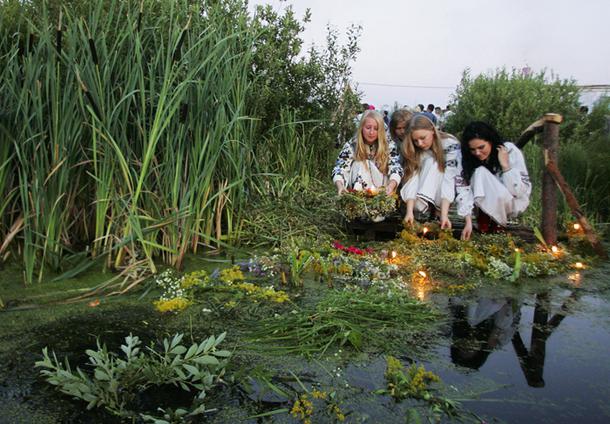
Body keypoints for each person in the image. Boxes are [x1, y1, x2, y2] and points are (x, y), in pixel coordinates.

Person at [400, 115, 471, 237]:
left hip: (446, 193)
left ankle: (438, 214)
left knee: (435, 163)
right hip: (420, 193)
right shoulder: (416, 150)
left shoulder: (450, 144)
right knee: (427, 162)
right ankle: (424, 211)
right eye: (415, 141)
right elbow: (412, 178)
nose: (420, 143)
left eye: (423, 138)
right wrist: (409, 211)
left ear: (432, 130)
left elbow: (452, 179)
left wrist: (446, 215)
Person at [460, 121, 531, 235]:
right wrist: (467, 219)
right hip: (483, 208)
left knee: (480, 172)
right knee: (478, 172)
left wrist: (505, 167)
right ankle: (483, 224)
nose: (477, 153)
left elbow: (519, 192)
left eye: (481, 147)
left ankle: (497, 224)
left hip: (511, 202)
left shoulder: (509, 151)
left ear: (491, 141)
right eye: (473, 149)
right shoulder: (470, 160)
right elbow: (464, 189)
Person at [333, 110, 403, 196]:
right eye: (368, 128)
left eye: (376, 129)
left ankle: (381, 197)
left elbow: (396, 166)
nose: (371, 132)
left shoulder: (388, 144)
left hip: (381, 187)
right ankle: (358, 197)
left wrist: (392, 185)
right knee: (360, 163)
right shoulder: (352, 144)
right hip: (358, 186)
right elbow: (340, 167)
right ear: (361, 127)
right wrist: (340, 186)